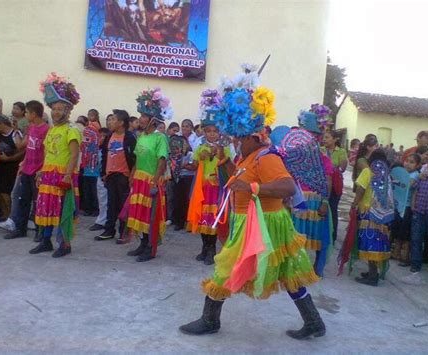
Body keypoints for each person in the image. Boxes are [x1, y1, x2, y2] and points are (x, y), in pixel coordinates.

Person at [180, 81, 324, 339]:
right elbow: (236, 182)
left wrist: (254, 187)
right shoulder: (246, 158)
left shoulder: (266, 157)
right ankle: (314, 322)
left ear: (251, 137)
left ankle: (210, 320)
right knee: (287, 271)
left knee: (225, 267)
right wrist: (223, 164)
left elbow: (287, 186)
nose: (235, 142)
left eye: (238, 138)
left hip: (262, 224)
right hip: (255, 221)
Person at [29, 73, 81, 258]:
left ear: (67, 111)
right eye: (54, 109)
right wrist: (41, 171)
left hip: (63, 176)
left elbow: (74, 154)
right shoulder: (52, 130)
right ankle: (45, 241)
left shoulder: (72, 130)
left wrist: (67, 175)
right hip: (48, 175)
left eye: (60, 109)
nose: (56, 112)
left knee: (62, 210)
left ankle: (64, 244)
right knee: (45, 208)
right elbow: (48, 153)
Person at [126, 88, 171, 262]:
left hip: (151, 181)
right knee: (139, 213)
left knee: (150, 215)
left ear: (152, 119)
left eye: (144, 116)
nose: (141, 119)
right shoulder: (141, 136)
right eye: (141, 116)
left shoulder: (160, 138)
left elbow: (162, 160)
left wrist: (154, 180)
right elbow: (137, 158)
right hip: (139, 179)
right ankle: (142, 244)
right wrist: (132, 175)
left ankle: (151, 248)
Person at [187, 89, 230, 265]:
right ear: (204, 132)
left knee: (213, 219)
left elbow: (228, 165)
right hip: (203, 188)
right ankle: (204, 246)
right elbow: (195, 165)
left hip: (216, 189)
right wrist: (194, 162)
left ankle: (212, 248)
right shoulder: (200, 148)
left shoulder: (224, 148)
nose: (211, 134)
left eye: (215, 131)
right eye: (208, 131)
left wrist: (219, 154)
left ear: (219, 132)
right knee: (202, 218)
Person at [291, 105, 333, 276]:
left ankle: (315, 268)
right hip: (299, 199)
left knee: (317, 238)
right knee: (296, 236)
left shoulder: (323, 158)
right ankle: (294, 268)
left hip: (316, 201)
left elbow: (328, 181)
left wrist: (324, 202)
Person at [2, 100, 49, 239]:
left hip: (38, 171)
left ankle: (39, 232)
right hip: (27, 169)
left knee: (38, 202)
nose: (26, 114)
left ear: (33, 114)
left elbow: (47, 151)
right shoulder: (31, 127)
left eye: (27, 112)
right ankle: (20, 229)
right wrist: (15, 132)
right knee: (23, 200)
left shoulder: (46, 129)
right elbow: (23, 146)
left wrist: (43, 169)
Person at [350, 149, 393, 286]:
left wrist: (354, 204)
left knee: (369, 242)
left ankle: (372, 276)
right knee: (378, 242)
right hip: (382, 214)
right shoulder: (386, 175)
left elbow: (360, 190)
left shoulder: (367, 172)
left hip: (368, 212)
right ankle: (373, 272)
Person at [95, 109, 136, 241]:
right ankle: (108, 230)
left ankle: (124, 232)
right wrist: (103, 173)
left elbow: (134, 158)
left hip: (123, 175)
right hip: (110, 175)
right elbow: (105, 155)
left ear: (121, 122)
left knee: (124, 205)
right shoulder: (109, 136)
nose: (110, 122)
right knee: (111, 204)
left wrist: (131, 175)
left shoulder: (129, 137)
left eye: (113, 119)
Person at [0, 114, 24, 221]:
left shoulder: (15, 134)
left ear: (0, 124)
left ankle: (9, 215)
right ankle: (5, 212)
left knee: (5, 192)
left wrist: (9, 159)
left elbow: (22, 152)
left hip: (11, 168)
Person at [390, 153, 421, 266]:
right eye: (407, 161)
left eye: (412, 162)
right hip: (398, 205)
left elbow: (408, 184)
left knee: (405, 232)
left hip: (407, 206)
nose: (408, 164)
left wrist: (398, 179)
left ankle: (405, 256)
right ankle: (396, 252)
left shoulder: (415, 175)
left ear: (417, 165)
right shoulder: (402, 173)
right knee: (397, 230)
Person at [322, 130, 348, 242]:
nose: (324, 140)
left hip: (335, 185)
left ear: (335, 139)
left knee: (332, 209)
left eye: (327, 137)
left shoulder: (341, 151)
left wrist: (328, 166)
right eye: (324, 137)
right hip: (322, 184)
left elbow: (342, 168)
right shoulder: (321, 150)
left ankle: (332, 235)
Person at [89, 127, 111, 232]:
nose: (101, 138)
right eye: (100, 136)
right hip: (99, 175)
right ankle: (103, 218)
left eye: (104, 136)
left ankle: (103, 221)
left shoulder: (107, 150)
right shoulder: (98, 149)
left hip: (106, 176)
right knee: (102, 199)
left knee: (105, 199)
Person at [79, 117, 100, 216]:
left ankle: (95, 209)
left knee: (94, 191)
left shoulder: (98, 149)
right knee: (87, 190)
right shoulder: (84, 148)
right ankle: (87, 208)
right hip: (86, 170)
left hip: (95, 172)